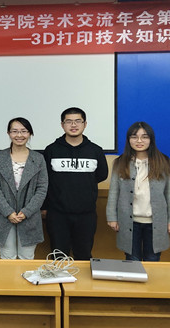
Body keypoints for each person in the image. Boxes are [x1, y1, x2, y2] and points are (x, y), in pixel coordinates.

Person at [106, 122, 170, 261]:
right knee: (132, 259)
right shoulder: (120, 162)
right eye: (134, 137)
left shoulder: (163, 161)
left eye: (144, 137)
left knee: (152, 258)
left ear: (151, 139)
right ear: (129, 140)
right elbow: (114, 193)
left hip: (155, 221)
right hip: (129, 221)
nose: (139, 141)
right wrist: (111, 217)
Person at [42, 107, 108, 260]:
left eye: (78, 121)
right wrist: (44, 207)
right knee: (59, 256)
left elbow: (101, 175)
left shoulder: (95, 151)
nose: (73, 125)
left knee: (84, 255)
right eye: (69, 121)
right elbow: (45, 180)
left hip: (86, 214)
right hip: (57, 214)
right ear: (62, 125)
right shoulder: (51, 150)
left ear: (85, 124)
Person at [0, 117, 48, 259]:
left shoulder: (38, 158)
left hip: (29, 216)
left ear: (30, 133)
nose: (19, 135)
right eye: (14, 131)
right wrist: (8, 212)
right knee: (7, 257)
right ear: (8, 133)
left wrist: (26, 212)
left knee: (26, 258)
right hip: (4, 216)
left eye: (24, 131)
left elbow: (42, 188)